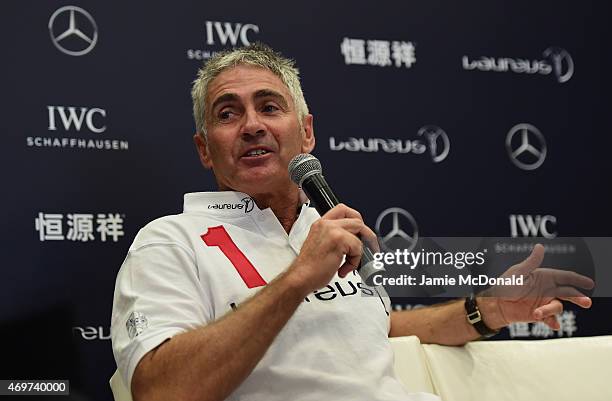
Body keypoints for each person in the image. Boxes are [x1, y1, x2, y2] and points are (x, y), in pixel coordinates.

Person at [110, 43, 594, 401]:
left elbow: (373, 329)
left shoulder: (323, 227)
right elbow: (160, 389)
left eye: (269, 107)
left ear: (306, 133)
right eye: (228, 113)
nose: (252, 125)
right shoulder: (170, 241)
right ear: (205, 150)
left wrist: (486, 311)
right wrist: (297, 279)